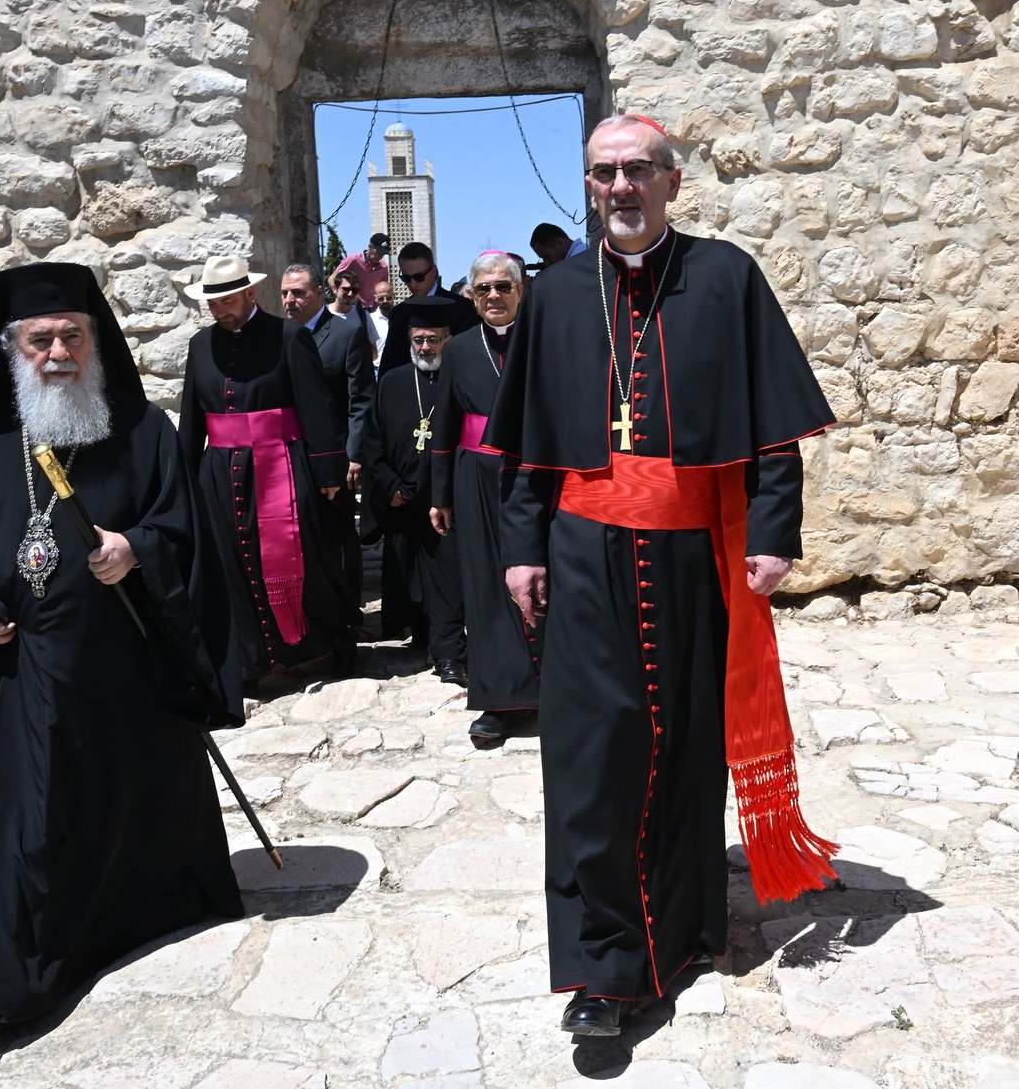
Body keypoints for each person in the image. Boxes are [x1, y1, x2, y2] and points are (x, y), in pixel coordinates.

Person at [486, 114, 839, 1038]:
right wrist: (521, 548)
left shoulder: (724, 277)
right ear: (591, 186)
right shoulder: (556, 295)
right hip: (583, 554)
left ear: (674, 183)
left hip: (693, 554)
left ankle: (681, 930)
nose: (622, 187)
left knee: (684, 741)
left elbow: (771, 426)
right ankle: (606, 967)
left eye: (640, 169)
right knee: (593, 754)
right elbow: (524, 448)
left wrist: (774, 532)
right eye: (606, 173)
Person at [0, 261, 241, 1033]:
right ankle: (8, 987)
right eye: (41, 339)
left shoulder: (142, 433)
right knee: (23, 833)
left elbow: (187, 535)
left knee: (126, 816)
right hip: (22, 676)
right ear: (12, 350)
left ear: (96, 342)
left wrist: (136, 548)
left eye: (74, 335)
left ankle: (134, 917)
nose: (59, 352)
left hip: (122, 677)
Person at [180, 255, 358, 694]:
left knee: (308, 560)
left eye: (226, 300)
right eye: (212, 302)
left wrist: (328, 469)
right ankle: (252, 659)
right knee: (233, 565)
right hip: (221, 473)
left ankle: (326, 644)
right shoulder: (201, 345)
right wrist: (182, 475)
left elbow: (316, 406)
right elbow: (192, 417)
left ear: (248, 294)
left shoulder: (289, 336)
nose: (219, 309)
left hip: (284, 466)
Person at [430, 251, 538, 744]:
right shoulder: (458, 351)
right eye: (483, 289)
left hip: (539, 473)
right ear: (471, 299)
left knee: (546, 575)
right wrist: (441, 493)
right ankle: (499, 698)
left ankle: (554, 689)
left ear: (520, 290)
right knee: (486, 586)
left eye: (502, 286)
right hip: (476, 478)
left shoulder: (544, 341)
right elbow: (445, 426)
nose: (493, 296)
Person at [359, 298, 466, 685]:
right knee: (410, 577)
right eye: (419, 340)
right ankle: (422, 640)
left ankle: (449, 654)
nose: (425, 348)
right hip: (401, 499)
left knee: (447, 580)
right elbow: (372, 441)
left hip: (446, 502)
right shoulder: (393, 382)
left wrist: (449, 492)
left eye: (433, 340)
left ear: (448, 341)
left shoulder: (461, 378)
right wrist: (389, 487)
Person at [280, 261, 375, 650]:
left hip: (334, 453)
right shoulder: (278, 337)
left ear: (319, 292)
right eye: (285, 293)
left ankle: (348, 612)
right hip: (291, 455)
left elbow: (360, 399)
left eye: (298, 292)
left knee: (338, 537)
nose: (290, 300)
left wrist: (354, 454)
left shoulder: (345, 334)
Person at [378, 241, 480, 373]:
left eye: (419, 277)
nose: (413, 284)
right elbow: (390, 362)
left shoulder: (461, 307)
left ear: (434, 271)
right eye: (407, 278)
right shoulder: (399, 313)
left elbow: (473, 355)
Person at [332, 231, 390, 309]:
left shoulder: (384, 267)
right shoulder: (353, 260)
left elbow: (382, 290)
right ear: (370, 246)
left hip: (371, 309)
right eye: (378, 252)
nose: (380, 256)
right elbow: (332, 279)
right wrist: (342, 297)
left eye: (383, 253)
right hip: (352, 306)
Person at [369, 280, 394, 370]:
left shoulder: (401, 317)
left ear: (393, 296)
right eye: (381, 298)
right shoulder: (370, 319)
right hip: (377, 368)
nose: (385, 301)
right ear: (375, 298)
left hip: (398, 367)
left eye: (389, 297)